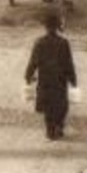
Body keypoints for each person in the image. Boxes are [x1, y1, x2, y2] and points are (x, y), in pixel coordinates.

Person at [24, 11, 77, 140]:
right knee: (61, 105)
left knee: (48, 107)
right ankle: (58, 125)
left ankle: (50, 128)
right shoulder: (64, 43)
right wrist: (73, 79)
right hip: (59, 81)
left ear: (46, 27)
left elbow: (33, 62)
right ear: (57, 27)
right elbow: (68, 64)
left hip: (45, 81)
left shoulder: (39, 43)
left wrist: (28, 76)